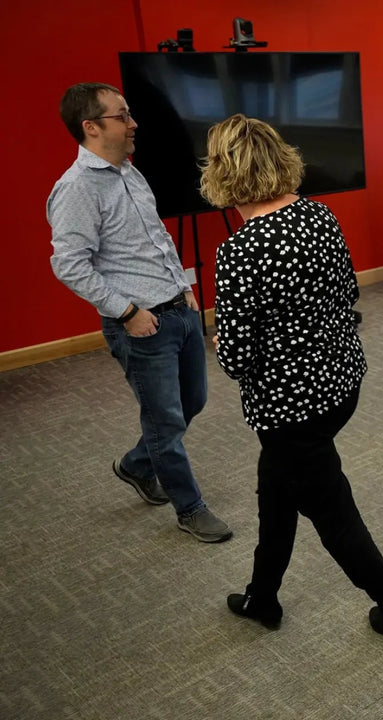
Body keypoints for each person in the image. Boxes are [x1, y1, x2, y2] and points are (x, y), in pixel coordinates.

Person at [201, 114, 383, 646]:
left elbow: (234, 360)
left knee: (332, 514)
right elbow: (348, 296)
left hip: (290, 412)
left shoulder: (239, 253)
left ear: (223, 174)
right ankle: (262, 597)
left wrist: (232, 341)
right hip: (341, 386)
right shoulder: (319, 217)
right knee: (276, 491)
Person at [47, 82, 232, 543]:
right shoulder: (75, 189)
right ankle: (190, 508)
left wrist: (183, 286)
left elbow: (156, 239)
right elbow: (68, 264)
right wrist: (127, 311)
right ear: (91, 127)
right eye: (122, 116)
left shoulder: (130, 171)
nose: (133, 123)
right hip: (141, 324)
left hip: (178, 307)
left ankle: (135, 465)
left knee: (193, 403)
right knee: (165, 421)